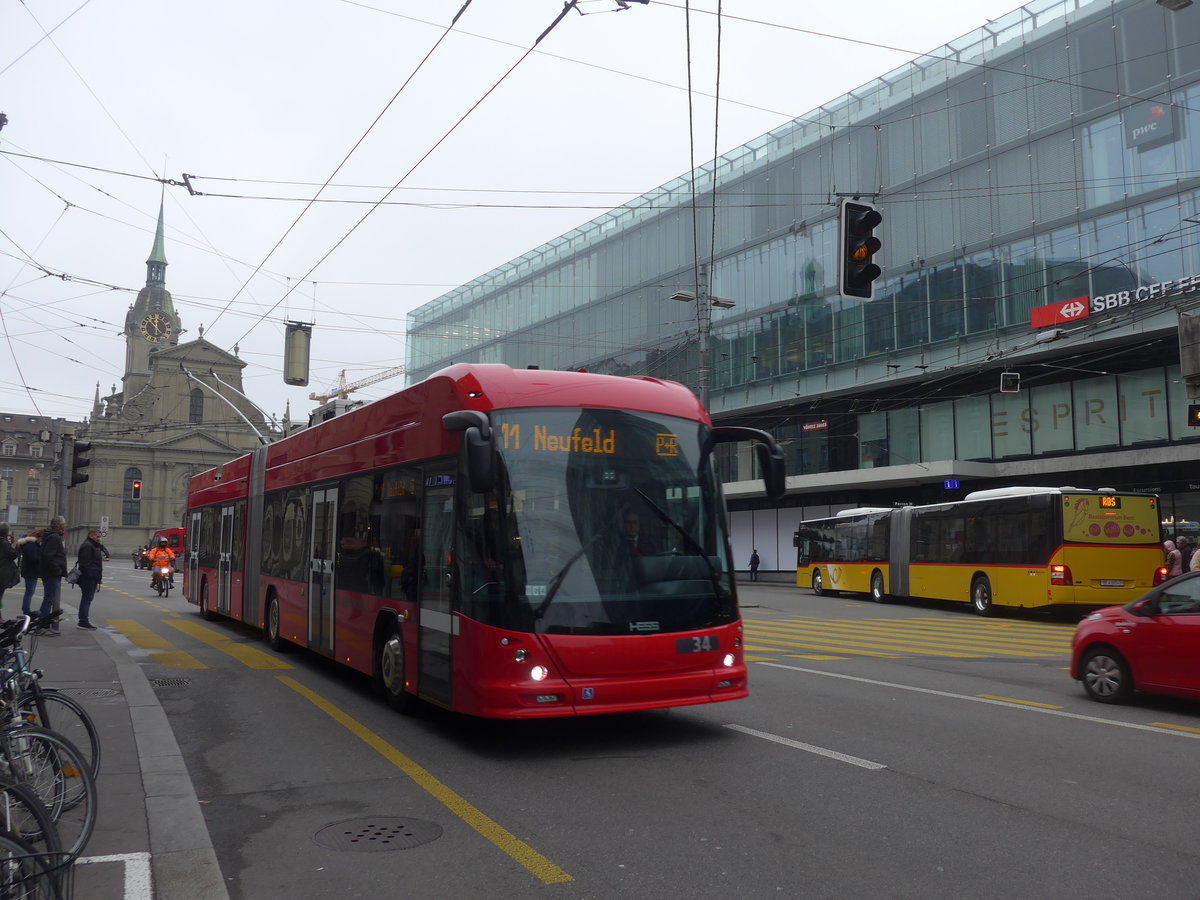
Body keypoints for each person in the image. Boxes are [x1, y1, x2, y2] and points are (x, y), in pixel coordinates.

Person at [36, 516, 67, 635]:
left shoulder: (51, 535)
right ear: (60, 526)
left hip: (49, 572)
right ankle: (42, 626)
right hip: (51, 573)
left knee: (49, 598)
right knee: (48, 599)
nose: (65, 526)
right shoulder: (54, 537)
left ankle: (44, 624)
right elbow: (48, 555)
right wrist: (57, 569)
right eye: (64, 524)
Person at [75, 528, 104, 630]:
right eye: (97, 536)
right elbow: (85, 564)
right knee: (86, 599)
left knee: (88, 599)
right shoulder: (88, 546)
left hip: (92, 577)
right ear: (91, 536)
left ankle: (83, 620)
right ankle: (83, 621)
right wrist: (92, 575)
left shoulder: (93, 545)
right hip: (88, 578)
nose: (99, 539)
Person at [16, 529, 43, 616]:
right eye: (41, 538)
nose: (42, 540)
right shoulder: (32, 545)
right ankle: (26, 610)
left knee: (29, 592)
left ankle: (26, 609)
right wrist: (42, 559)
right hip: (31, 572)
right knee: (29, 592)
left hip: (30, 571)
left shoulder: (31, 544)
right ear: (38, 537)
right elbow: (33, 559)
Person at [0, 524, 18, 617]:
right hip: (2, 573)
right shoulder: (4, 543)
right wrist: (17, 547)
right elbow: (13, 554)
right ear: (6, 533)